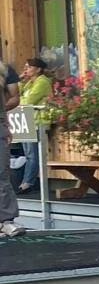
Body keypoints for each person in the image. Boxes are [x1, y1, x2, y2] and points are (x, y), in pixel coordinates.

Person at [16, 57, 50, 194]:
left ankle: (27, 182)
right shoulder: (29, 82)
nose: (26, 69)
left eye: (29, 67)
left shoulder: (42, 81)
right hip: (26, 120)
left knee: (32, 153)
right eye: (25, 67)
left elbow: (29, 100)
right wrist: (20, 81)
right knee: (27, 153)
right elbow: (14, 95)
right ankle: (28, 181)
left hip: (37, 121)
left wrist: (17, 101)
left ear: (38, 69)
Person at [0, 58, 20, 237]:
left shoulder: (4, 70)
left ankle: (7, 221)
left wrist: (6, 126)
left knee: (2, 174)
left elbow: (10, 100)